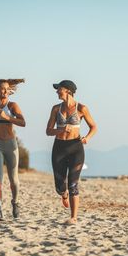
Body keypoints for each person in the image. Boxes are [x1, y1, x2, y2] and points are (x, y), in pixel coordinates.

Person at [46, 80, 97, 224]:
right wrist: (61, 130)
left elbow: (93, 127)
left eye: (59, 89)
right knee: (59, 186)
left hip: (76, 148)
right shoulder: (56, 109)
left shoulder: (82, 108)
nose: (57, 92)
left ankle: (73, 217)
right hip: (59, 148)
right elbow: (48, 131)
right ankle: (63, 194)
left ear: (68, 90)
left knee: (73, 184)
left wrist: (87, 138)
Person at [0, 79, 26, 221]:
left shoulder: (12, 105)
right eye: (2, 89)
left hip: (10, 145)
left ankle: (15, 202)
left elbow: (23, 122)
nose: (4, 92)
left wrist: (8, 117)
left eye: (6, 89)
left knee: (13, 180)